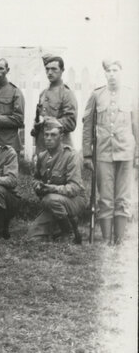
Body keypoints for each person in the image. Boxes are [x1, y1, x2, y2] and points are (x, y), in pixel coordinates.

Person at [82, 59, 138, 244]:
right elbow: (88, 125)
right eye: (109, 71)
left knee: (123, 197)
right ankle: (107, 239)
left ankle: (119, 239)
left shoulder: (131, 95)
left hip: (126, 152)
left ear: (121, 72)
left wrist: (137, 154)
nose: (112, 74)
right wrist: (87, 154)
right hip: (104, 153)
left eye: (115, 70)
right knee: (105, 197)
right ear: (104, 74)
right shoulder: (97, 95)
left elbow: (136, 126)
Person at [27, 118, 86, 243]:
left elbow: (74, 188)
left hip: (74, 200)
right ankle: (65, 224)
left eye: (53, 135)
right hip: (53, 203)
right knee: (33, 237)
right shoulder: (42, 156)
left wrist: (51, 188)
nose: (48, 138)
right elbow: (35, 178)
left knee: (50, 199)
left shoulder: (71, 155)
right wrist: (37, 185)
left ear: (61, 136)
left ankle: (68, 231)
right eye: (46, 135)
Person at [31, 54, 77, 148]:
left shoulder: (66, 94)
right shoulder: (43, 93)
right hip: (42, 146)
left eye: (54, 69)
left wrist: (47, 121)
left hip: (60, 147)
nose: (50, 72)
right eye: (47, 69)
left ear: (62, 70)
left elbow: (70, 123)